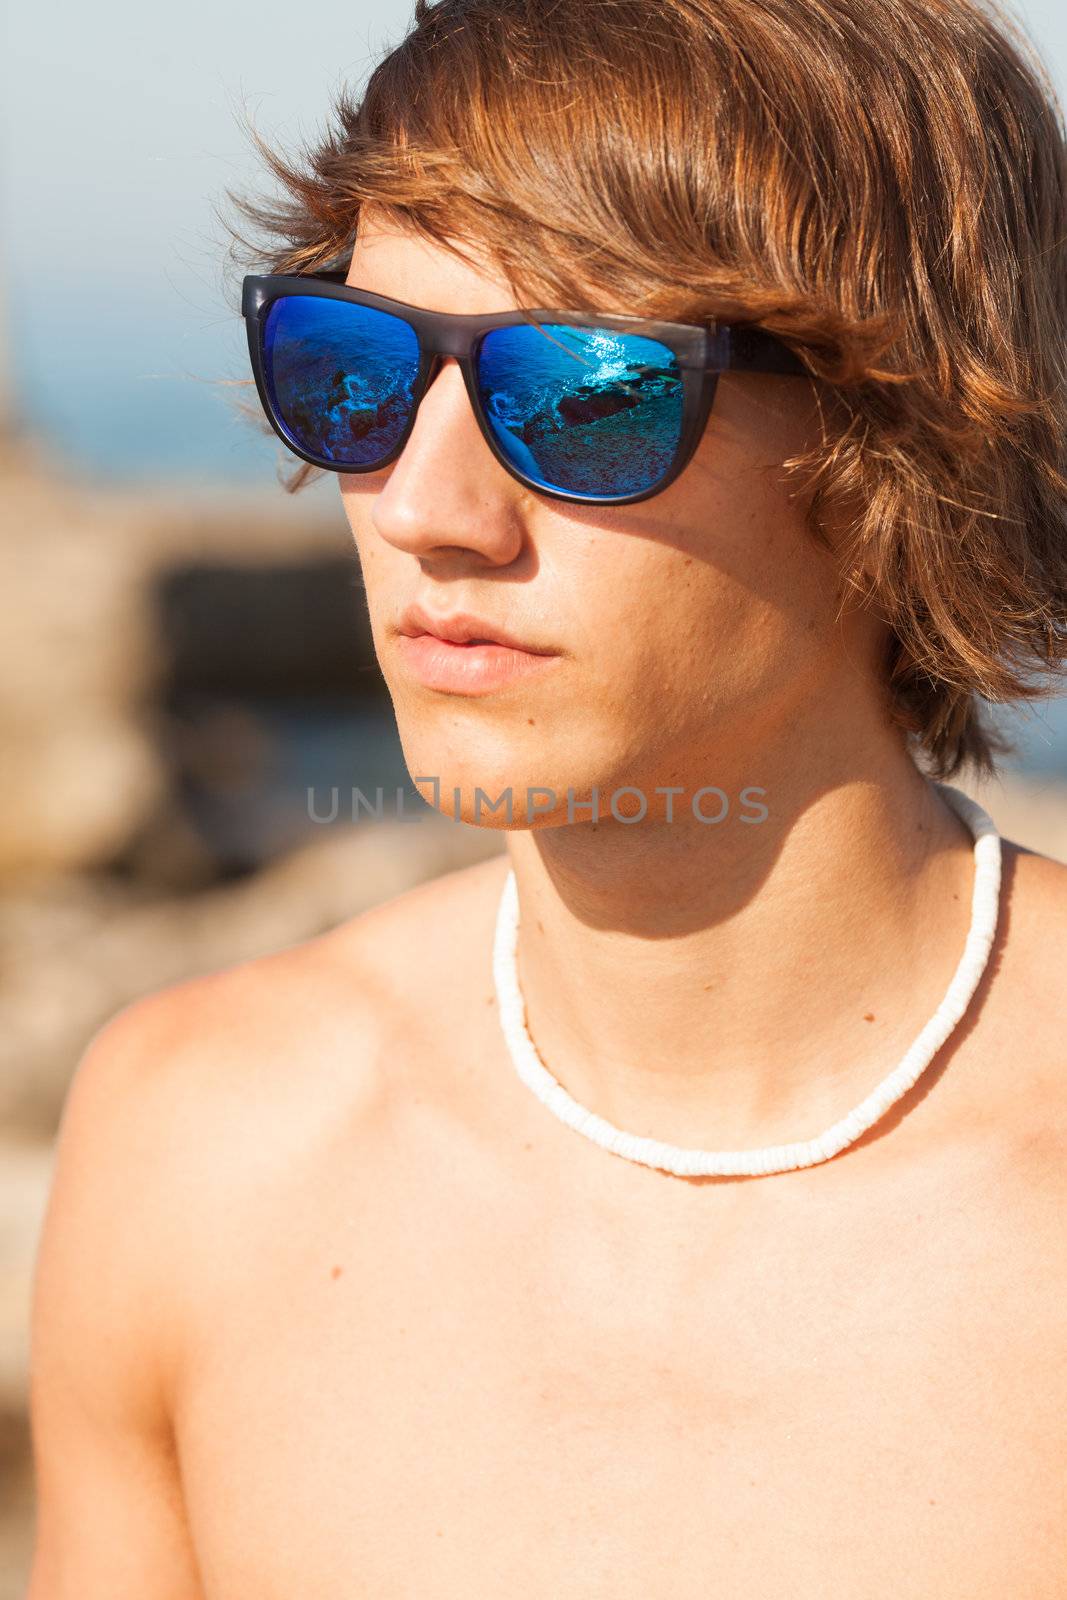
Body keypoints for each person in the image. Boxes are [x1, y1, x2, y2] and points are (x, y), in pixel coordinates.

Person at [26, 0, 1067, 1594]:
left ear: (898, 444)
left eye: (590, 390)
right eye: (353, 369)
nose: (427, 509)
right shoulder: (200, 1148)